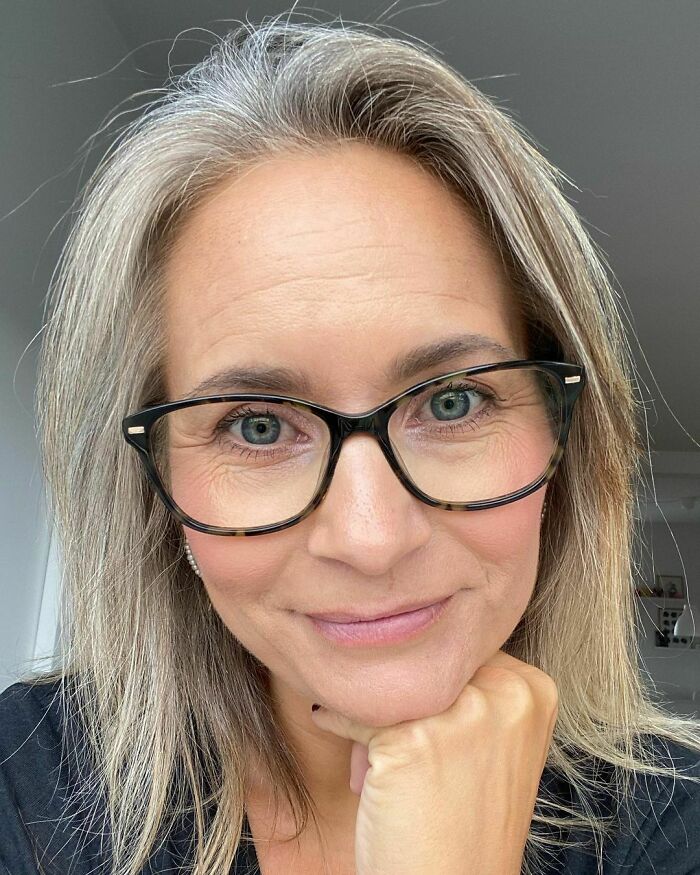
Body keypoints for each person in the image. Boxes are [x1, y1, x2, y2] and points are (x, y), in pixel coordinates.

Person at [1, 12, 699, 875]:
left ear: (563, 437)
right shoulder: (24, 791)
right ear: (158, 486)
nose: (372, 540)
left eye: (452, 402)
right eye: (257, 425)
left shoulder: (676, 827)